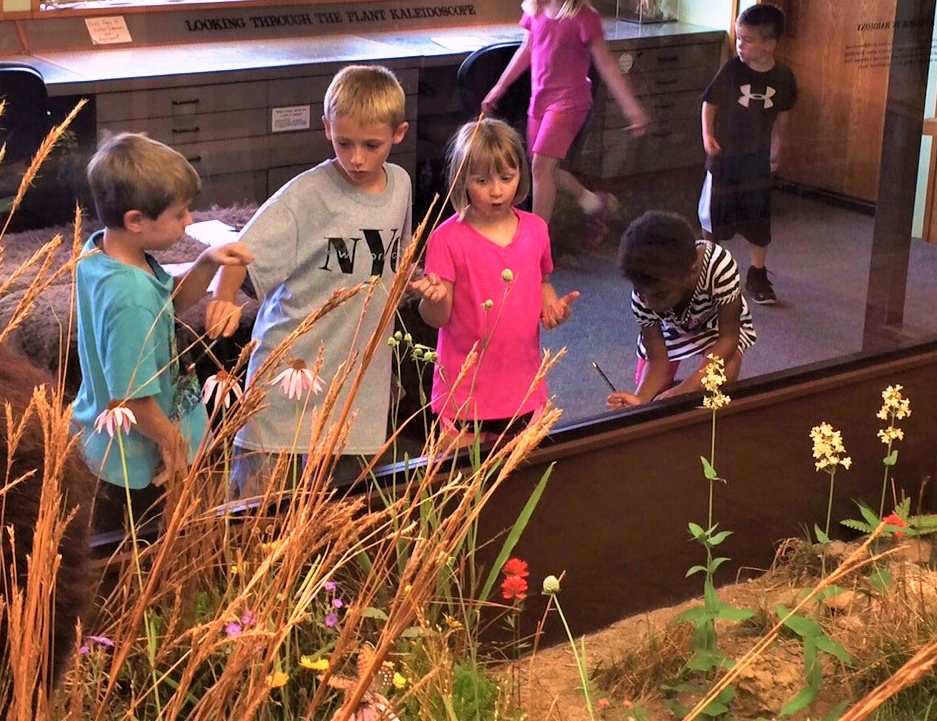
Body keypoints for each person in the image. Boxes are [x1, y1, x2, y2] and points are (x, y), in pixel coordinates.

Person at [211, 65, 413, 495]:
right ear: (326, 128)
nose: (356, 157)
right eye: (344, 143)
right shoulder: (303, 197)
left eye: (371, 145)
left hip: (357, 383)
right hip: (287, 382)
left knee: (344, 509)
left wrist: (415, 278)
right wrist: (225, 298)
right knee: (256, 512)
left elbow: (394, 257)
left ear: (399, 134)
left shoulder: (401, 186)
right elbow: (237, 257)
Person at [70, 133, 253, 525]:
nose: (189, 222)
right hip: (137, 465)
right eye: (180, 213)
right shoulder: (129, 295)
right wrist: (174, 443)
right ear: (135, 220)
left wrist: (206, 263)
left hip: (109, 447)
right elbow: (130, 398)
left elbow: (165, 305)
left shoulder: (103, 254)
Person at [414, 118, 579, 443]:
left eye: (507, 177)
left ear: (521, 174)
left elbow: (542, 281)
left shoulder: (535, 230)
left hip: (524, 390)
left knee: (522, 484)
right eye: (482, 180)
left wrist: (552, 309)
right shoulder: (446, 239)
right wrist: (432, 300)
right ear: (462, 180)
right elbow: (438, 318)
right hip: (462, 396)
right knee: (460, 485)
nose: (497, 190)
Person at [480, 0, 649, 245]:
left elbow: (607, 64)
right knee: (542, 169)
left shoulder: (585, 18)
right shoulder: (536, 12)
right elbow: (528, 50)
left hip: (570, 102)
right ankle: (595, 205)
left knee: (541, 166)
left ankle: (535, 241)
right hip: (540, 100)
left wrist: (631, 106)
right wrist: (499, 87)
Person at [606, 210, 756, 410]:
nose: (650, 304)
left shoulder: (718, 266)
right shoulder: (645, 295)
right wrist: (639, 403)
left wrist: (688, 387)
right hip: (673, 328)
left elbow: (728, 338)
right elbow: (657, 361)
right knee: (653, 397)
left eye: (660, 295)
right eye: (642, 294)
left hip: (715, 325)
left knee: (719, 379)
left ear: (691, 272)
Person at [699, 2, 797, 306]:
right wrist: (707, 135)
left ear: (770, 44)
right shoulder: (731, 70)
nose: (739, 45)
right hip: (725, 158)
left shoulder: (783, 77)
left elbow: (782, 115)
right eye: (738, 38)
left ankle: (756, 273)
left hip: (756, 161)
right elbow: (709, 103)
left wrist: (778, 146)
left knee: (757, 218)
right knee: (713, 216)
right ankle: (706, 272)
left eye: (748, 40)